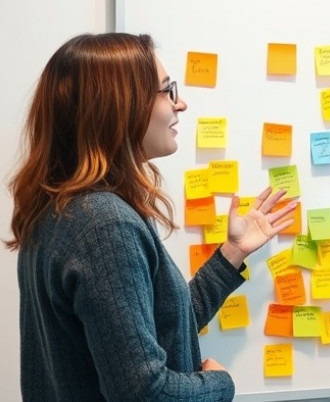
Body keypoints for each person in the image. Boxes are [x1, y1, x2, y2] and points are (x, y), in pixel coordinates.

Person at [7, 33, 297, 401]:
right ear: (119, 105)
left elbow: (160, 326)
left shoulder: (66, 210)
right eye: (167, 90)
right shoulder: (103, 225)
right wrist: (220, 385)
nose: (182, 104)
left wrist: (231, 254)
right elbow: (144, 393)